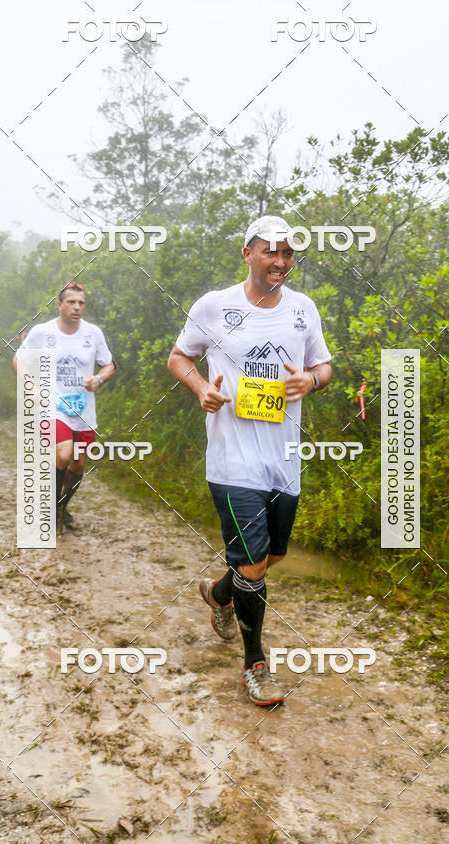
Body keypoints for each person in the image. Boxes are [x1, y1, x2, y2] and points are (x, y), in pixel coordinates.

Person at [167, 215, 332, 706]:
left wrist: (313, 381)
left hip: (283, 459)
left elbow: (323, 364)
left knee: (271, 555)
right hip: (232, 459)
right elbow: (180, 357)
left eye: (287, 253)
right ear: (248, 254)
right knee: (255, 564)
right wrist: (201, 389)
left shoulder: (303, 309)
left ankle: (220, 593)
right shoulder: (215, 306)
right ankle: (254, 664)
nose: (280, 261)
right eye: (270, 251)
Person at [13, 282, 115, 533]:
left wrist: (98, 379)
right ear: (59, 305)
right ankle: (50, 512)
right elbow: (19, 360)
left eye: (81, 303)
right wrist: (31, 388)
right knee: (63, 454)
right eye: (71, 302)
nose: (77, 307)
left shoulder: (93, 334)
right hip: (53, 406)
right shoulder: (42, 332)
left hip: (84, 409)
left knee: (78, 464)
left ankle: (62, 507)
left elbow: (109, 366)